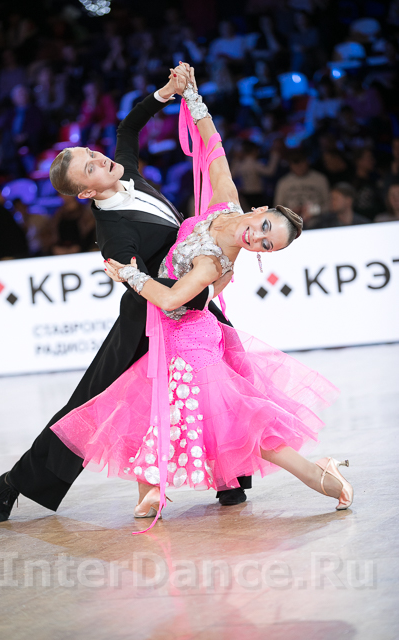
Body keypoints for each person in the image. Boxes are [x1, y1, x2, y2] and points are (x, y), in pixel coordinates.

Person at [49, 65, 352, 530]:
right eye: (265, 227)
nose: (258, 239)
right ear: (258, 209)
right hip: (170, 339)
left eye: (267, 245)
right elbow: (213, 149)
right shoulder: (224, 203)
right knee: (158, 408)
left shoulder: (215, 261)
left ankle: (322, 476)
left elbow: (173, 300)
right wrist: (191, 97)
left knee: (237, 425)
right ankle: (151, 488)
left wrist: (129, 275)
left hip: (191, 341)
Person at [0, 69, 247, 524]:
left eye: (93, 153)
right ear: (87, 191)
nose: (101, 158)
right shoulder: (113, 235)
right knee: (88, 405)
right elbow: (144, 285)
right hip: (149, 318)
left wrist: (166, 93)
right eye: (91, 166)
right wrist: (201, 289)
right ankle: (17, 481)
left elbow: (128, 127)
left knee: (219, 383)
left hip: (191, 301)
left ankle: (228, 478)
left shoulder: (127, 172)